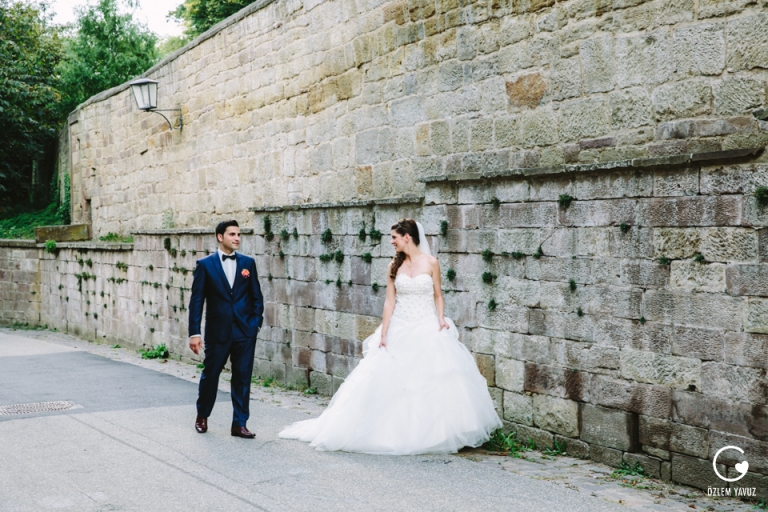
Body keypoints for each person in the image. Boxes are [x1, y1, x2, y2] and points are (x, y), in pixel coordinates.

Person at [279, 218, 502, 454]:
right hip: (400, 326)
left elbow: (438, 294)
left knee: (434, 378)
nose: (391, 242)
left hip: (427, 325)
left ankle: (438, 435)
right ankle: (394, 434)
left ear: (407, 237)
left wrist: (440, 318)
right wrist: (384, 333)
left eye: (394, 237)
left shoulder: (431, 262)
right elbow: (389, 301)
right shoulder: (394, 266)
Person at [188, 220, 264, 438]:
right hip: (217, 332)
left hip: (245, 331)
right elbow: (196, 301)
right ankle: (202, 415)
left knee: (242, 377)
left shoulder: (248, 263)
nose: (237, 238)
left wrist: (255, 324)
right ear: (220, 237)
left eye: (239, 234)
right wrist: (194, 333)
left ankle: (239, 424)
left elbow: (257, 297)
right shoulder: (205, 265)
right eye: (232, 234)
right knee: (211, 375)